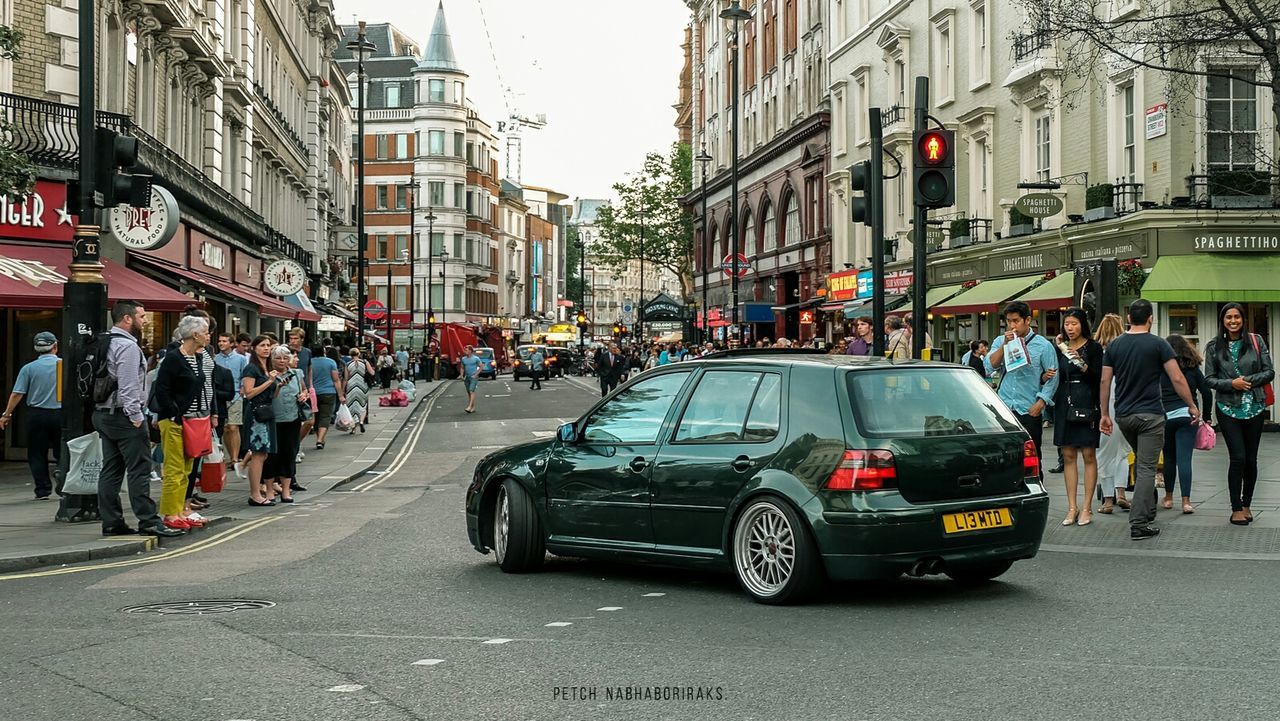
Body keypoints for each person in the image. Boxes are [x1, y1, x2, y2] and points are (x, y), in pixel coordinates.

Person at [1099, 299, 1200, 541]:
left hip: (1124, 415)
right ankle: (1138, 523)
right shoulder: (1158, 345)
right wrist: (1191, 405)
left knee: (1142, 460)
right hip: (1151, 415)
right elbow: (1176, 378)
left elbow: (1104, 381)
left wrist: (1104, 413)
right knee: (1146, 468)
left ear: (1129, 318)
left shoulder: (1115, 345)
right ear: (1150, 318)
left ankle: (1149, 508)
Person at [93, 302, 180, 537]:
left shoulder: (105, 341)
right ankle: (148, 521)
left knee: (111, 470)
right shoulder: (128, 348)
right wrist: (136, 417)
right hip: (124, 416)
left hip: (103, 413)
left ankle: (112, 522)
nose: (146, 320)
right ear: (127, 319)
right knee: (139, 470)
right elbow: (129, 385)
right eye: (142, 316)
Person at [1204, 302, 1274, 526]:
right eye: (1228, 318)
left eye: (1237, 317)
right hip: (1228, 408)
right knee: (1238, 458)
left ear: (1243, 319)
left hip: (1254, 406)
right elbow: (1209, 379)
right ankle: (1235, 507)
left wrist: (1248, 382)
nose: (1233, 321)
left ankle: (1247, 505)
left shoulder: (1256, 341)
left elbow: (1269, 371)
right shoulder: (1214, 346)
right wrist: (1232, 384)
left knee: (1251, 460)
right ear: (1222, 321)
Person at [152, 315, 214, 530]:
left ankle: (180, 510)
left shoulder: (196, 357)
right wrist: (173, 413)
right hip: (175, 421)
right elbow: (162, 389)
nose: (208, 336)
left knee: (187, 469)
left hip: (192, 421)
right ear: (195, 335)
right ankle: (170, 513)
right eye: (206, 332)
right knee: (174, 469)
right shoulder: (173, 358)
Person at [985, 301, 1059, 479]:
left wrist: (1040, 403)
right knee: (1002, 454)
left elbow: (1053, 375)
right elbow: (990, 365)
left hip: (1028, 407)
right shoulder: (1000, 341)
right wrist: (1004, 345)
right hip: (1004, 407)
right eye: (1009, 321)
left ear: (1027, 320)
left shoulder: (1043, 345)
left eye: (1016, 321)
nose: (1012, 326)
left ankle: (1033, 486)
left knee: (1031, 455)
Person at [1047, 309, 1103, 526]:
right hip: (1065, 402)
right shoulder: (1060, 348)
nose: (1070, 328)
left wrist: (1083, 363)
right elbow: (1055, 372)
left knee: (1088, 454)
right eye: (1067, 324)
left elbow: (1098, 378)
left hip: (1087, 401)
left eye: (1074, 324)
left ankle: (1087, 507)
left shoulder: (1094, 347)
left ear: (1083, 325)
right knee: (1068, 454)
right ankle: (1072, 507)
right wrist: (1046, 376)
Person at [0, 331, 62, 499]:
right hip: (60, 413)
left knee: (36, 453)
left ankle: (42, 489)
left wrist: (6, 414)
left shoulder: (28, 368)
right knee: (62, 451)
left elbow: (17, 393)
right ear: (55, 346)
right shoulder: (62, 366)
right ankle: (63, 480)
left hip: (37, 414)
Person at [1161, 333, 1212, 515]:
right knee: (1184, 459)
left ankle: (1168, 498)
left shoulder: (1162, 367)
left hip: (1165, 416)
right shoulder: (1193, 368)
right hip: (1187, 416)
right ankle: (1186, 502)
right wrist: (1207, 418)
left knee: (1168, 458)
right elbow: (1206, 392)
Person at [1092, 314, 1131, 514]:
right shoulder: (1126, 349)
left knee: (1103, 453)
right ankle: (1122, 493)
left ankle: (1108, 500)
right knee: (1122, 452)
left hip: (1104, 404)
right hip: (1125, 403)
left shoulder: (1096, 351)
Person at [263, 346, 307, 503]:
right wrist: (275, 385)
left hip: (292, 419)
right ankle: (269, 490)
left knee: (289, 455)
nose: (282, 361)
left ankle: (286, 491)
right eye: (278, 358)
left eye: (284, 358)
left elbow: (304, 390)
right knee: (271, 457)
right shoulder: (268, 375)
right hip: (273, 420)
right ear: (272, 360)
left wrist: (303, 396)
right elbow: (267, 396)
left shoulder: (296, 374)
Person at [242, 336, 280, 506]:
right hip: (256, 413)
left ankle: (257, 492)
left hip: (267, 411)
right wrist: (270, 382)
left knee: (263, 453)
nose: (266, 348)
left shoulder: (268, 368)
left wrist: (278, 385)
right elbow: (248, 393)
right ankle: (255, 494)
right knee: (257, 453)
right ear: (254, 348)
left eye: (268, 346)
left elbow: (272, 395)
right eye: (262, 346)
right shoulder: (251, 368)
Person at [214, 333, 248, 479]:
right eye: (220, 341)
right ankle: (230, 456)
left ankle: (234, 458)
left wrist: (242, 388)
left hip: (236, 395)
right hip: (220, 396)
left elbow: (244, 374)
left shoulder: (240, 359)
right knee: (226, 428)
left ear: (232, 343)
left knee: (234, 426)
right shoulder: (215, 358)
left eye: (224, 341)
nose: (221, 343)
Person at [310, 346, 343, 450]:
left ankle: (320, 438)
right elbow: (336, 380)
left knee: (316, 417)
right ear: (323, 351)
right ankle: (320, 439)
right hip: (329, 392)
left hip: (313, 393)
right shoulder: (331, 362)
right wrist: (341, 395)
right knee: (325, 417)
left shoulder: (309, 362)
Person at [288, 329, 313, 461]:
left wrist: (310, 386)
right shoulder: (285, 351)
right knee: (296, 421)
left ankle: (296, 444)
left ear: (301, 339)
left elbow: (309, 369)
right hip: (289, 388)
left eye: (295, 338)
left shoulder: (307, 352)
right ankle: (295, 447)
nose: (292, 341)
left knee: (308, 421)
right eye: (291, 338)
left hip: (303, 388)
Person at [345, 348, 373, 432]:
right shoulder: (364, 362)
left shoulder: (347, 364)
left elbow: (346, 378)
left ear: (350, 355)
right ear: (358, 353)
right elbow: (372, 373)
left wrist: (343, 390)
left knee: (351, 406)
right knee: (363, 405)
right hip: (362, 385)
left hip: (351, 386)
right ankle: (361, 421)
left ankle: (353, 428)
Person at [459, 345, 482, 412]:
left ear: (470, 351)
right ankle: (473, 407)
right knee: (469, 392)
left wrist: (476, 375)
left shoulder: (476, 358)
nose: (465, 351)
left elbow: (481, 366)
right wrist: (461, 375)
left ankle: (469, 406)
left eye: (466, 350)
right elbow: (462, 367)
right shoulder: (463, 359)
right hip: (467, 377)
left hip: (473, 377)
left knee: (471, 391)